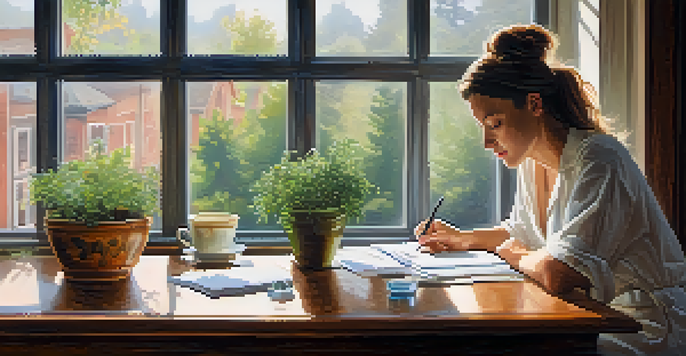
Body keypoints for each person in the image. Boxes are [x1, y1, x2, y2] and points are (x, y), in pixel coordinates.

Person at [415, 24, 686, 356]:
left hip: (641, 326)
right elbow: (522, 235)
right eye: (483, 127)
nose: (487, 142)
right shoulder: (532, 160)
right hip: (590, 315)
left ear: (533, 104)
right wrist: (463, 239)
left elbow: (559, 273)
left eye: (495, 123)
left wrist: (512, 254)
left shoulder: (599, 159)